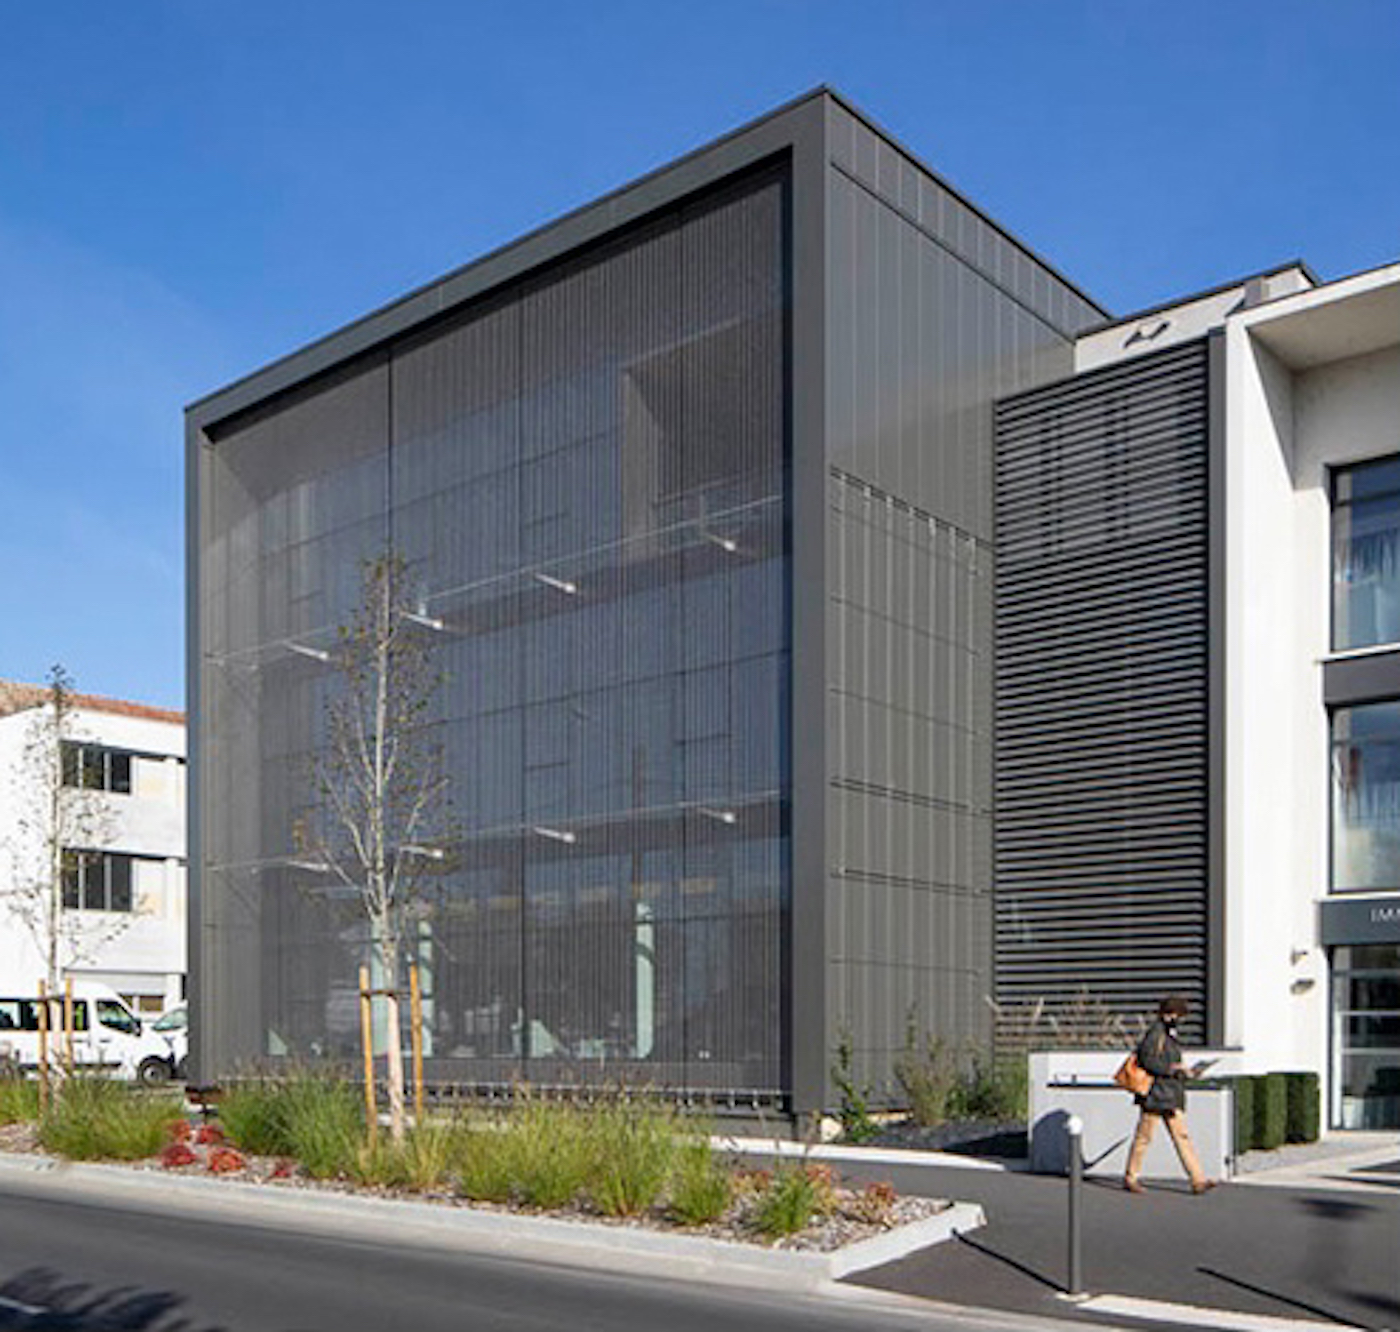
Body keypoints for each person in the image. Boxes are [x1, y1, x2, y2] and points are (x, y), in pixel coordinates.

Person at [1123, 994, 1218, 1195]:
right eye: (1178, 1014)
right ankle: (1131, 1176)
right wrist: (1173, 1069)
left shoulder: (1168, 1033)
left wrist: (1184, 1072)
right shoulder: (1156, 1033)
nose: (1180, 1018)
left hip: (1168, 1093)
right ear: (1170, 1013)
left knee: (1179, 1136)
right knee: (1145, 1137)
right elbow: (1147, 1061)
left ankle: (1198, 1179)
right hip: (1157, 1094)